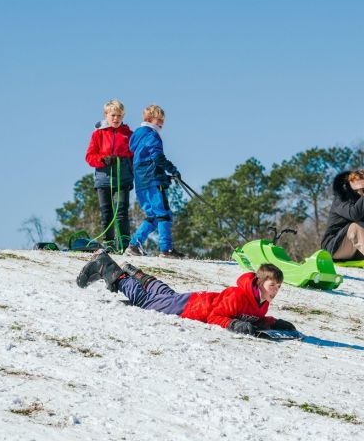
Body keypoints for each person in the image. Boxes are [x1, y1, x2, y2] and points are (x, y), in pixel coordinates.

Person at [77, 250, 297, 336]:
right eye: (272, 286)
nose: (275, 291)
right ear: (259, 283)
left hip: (190, 302)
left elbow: (255, 319)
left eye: (278, 287)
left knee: (165, 295)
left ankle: (138, 275)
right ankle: (107, 267)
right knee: (145, 302)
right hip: (191, 307)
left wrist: (273, 322)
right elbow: (215, 317)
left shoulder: (262, 302)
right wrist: (233, 325)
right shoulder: (238, 295)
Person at [123, 105, 184, 258]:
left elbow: (144, 160)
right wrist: (172, 170)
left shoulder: (137, 135)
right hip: (153, 182)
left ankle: (134, 245)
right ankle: (166, 249)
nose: (162, 124)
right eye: (160, 120)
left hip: (141, 183)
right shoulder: (152, 134)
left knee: (153, 215)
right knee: (164, 215)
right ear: (150, 119)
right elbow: (157, 157)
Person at [84, 99, 133, 252]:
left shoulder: (128, 134)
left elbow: (134, 154)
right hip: (103, 180)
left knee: (122, 210)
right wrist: (103, 159)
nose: (116, 119)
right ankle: (109, 242)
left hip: (122, 178)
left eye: (119, 115)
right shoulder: (98, 134)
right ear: (106, 115)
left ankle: (125, 244)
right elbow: (89, 157)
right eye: (113, 115)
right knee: (106, 212)